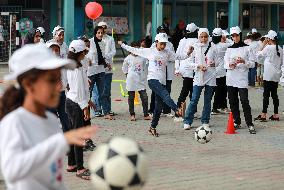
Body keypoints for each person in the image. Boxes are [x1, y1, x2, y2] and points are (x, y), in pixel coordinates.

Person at [0, 44, 96, 189]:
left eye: (59, 79)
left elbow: (54, 177)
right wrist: (61, 141)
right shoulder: (15, 122)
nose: (59, 87)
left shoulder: (51, 121)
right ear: (29, 84)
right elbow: (12, 170)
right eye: (51, 80)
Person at [118, 33, 182, 137]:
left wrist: (188, 53)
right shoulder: (150, 51)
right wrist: (123, 45)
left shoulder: (167, 52)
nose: (163, 46)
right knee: (166, 94)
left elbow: (178, 56)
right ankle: (177, 110)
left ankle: (152, 127)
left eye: (164, 44)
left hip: (162, 81)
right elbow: (135, 50)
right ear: (156, 42)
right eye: (161, 44)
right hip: (152, 80)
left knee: (158, 108)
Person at [65, 40, 96, 180]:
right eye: (84, 52)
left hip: (72, 101)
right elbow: (78, 92)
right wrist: (85, 108)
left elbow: (79, 88)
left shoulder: (74, 65)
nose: (86, 54)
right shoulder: (76, 69)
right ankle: (80, 168)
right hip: (75, 104)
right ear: (79, 53)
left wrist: (88, 100)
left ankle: (71, 164)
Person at [181, 28, 217, 130]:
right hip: (198, 76)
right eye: (201, 36)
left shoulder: (213, 47)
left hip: (210, 76)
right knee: (194, 99)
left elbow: (219, 61)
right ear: (198, 37)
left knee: (207, 100)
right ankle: (187, 121)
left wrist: (214, 64)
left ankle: (205, 120)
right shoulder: (194, 47)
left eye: (205, 36)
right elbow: (188, 63)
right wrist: (198, 66)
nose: (204, 38)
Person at [224, 26, 256, 134]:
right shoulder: (229, 49)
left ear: (240, 35)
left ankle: (250, 123)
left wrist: (244, 61)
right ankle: (237, 121)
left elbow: (252, 64)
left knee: (244, 100)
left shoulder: (247, 48)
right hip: (231, 78)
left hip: (242, 78)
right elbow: (225, 64)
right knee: (233, 101)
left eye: (236, 35)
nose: (235, 38)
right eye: (233, 36)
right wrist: (230, 65)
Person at [254, 30, 283, 121]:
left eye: (267, 38)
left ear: (269, 39)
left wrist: (263, 44)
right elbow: (281, 62)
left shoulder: (269, 47)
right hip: (276, 75)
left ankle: (263, 114)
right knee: (274, 94)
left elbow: (258, 54)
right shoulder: (280, 49)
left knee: (266, 94)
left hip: (268, 74)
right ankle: (276, 114)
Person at [174, 23, 199, 122]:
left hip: (184, 69)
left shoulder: (182, 40)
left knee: (189, 91)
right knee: (188, 91)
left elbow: (177, 55)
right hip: (192, 69)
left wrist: (177, 68)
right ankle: (178, 113)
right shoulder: (197, 41)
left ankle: (192, 111)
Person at [88, 26, 114, 120]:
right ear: (95, 33)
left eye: (101, 33)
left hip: (100, 71)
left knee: (102, 92)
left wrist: (107, 64)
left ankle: (106, 112)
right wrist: (87, 61)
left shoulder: (103, 43)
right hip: (91, 72)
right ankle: (86, 113)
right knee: (88, 93)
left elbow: (102, 56)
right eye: (98, 32)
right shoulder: (89, 42)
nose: (100, 34)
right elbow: (84, 54)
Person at [149, 26, 176, 118]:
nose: (162, 33)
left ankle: (167, 110)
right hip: (157, 72)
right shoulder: (154, 45)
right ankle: (152, 110)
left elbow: (174, 56)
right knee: (156, 92)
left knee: (167, 91)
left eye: (164, 31)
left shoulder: (170, 45)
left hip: (168, 70)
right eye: (160, 31)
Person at [122, 41, 151, 121]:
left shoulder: (143, 58)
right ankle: (132, 114)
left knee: (144, 97)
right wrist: (127, 75)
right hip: (131, 81)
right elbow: (124, 68)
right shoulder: (128, 58)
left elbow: (148, 63)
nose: (135, 51)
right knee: (131, 98)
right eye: (133, 49)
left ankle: (146, 114)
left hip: (141, 81)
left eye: (137, 49)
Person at [209, 28, 231, 115]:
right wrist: (226, 39)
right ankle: (216, 107)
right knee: (220, 90)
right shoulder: (222, 46)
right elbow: (232, 44)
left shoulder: (211, 44)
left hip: (214, 70)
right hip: (221, 71)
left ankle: (220, 106)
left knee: (219, 90)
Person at [98, 21, 116, 116]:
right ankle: (98, 110)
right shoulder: (94, 39)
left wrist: (105, 56)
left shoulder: (110, 39)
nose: (103, 29)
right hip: (97, 69)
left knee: (107, 90)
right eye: (101, 27)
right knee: (98, 91)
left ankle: (108, 109)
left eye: (105, 27)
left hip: (108, 68)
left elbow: (113, 51)